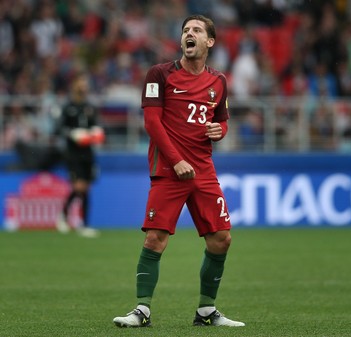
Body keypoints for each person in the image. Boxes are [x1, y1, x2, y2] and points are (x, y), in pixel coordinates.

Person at [112, 15, 245, 327]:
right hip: (169, 170)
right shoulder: (159, 74)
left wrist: (219, 131)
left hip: (203, 169)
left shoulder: (218, 81)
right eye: (186, 30)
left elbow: (222, 120)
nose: (190, 34)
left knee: (221, 239)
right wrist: (176, 160)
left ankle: (206, 312)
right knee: (155, 238)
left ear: (209, 42)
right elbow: (152, 123)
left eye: (197, 30)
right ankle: (141, 310)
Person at [55, 73, 105, 238]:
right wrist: (72, 133)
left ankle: (83, 224)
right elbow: (59, 129)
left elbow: (96, 124)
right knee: (79, 187)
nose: (84, 86)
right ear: (75, 85)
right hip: (73, 153)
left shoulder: (89, 106)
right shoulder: (68, 106)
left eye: (86, 83)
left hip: (87, 152)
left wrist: (97, 131)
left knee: (86, 188)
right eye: (81, 82)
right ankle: (64, 216)